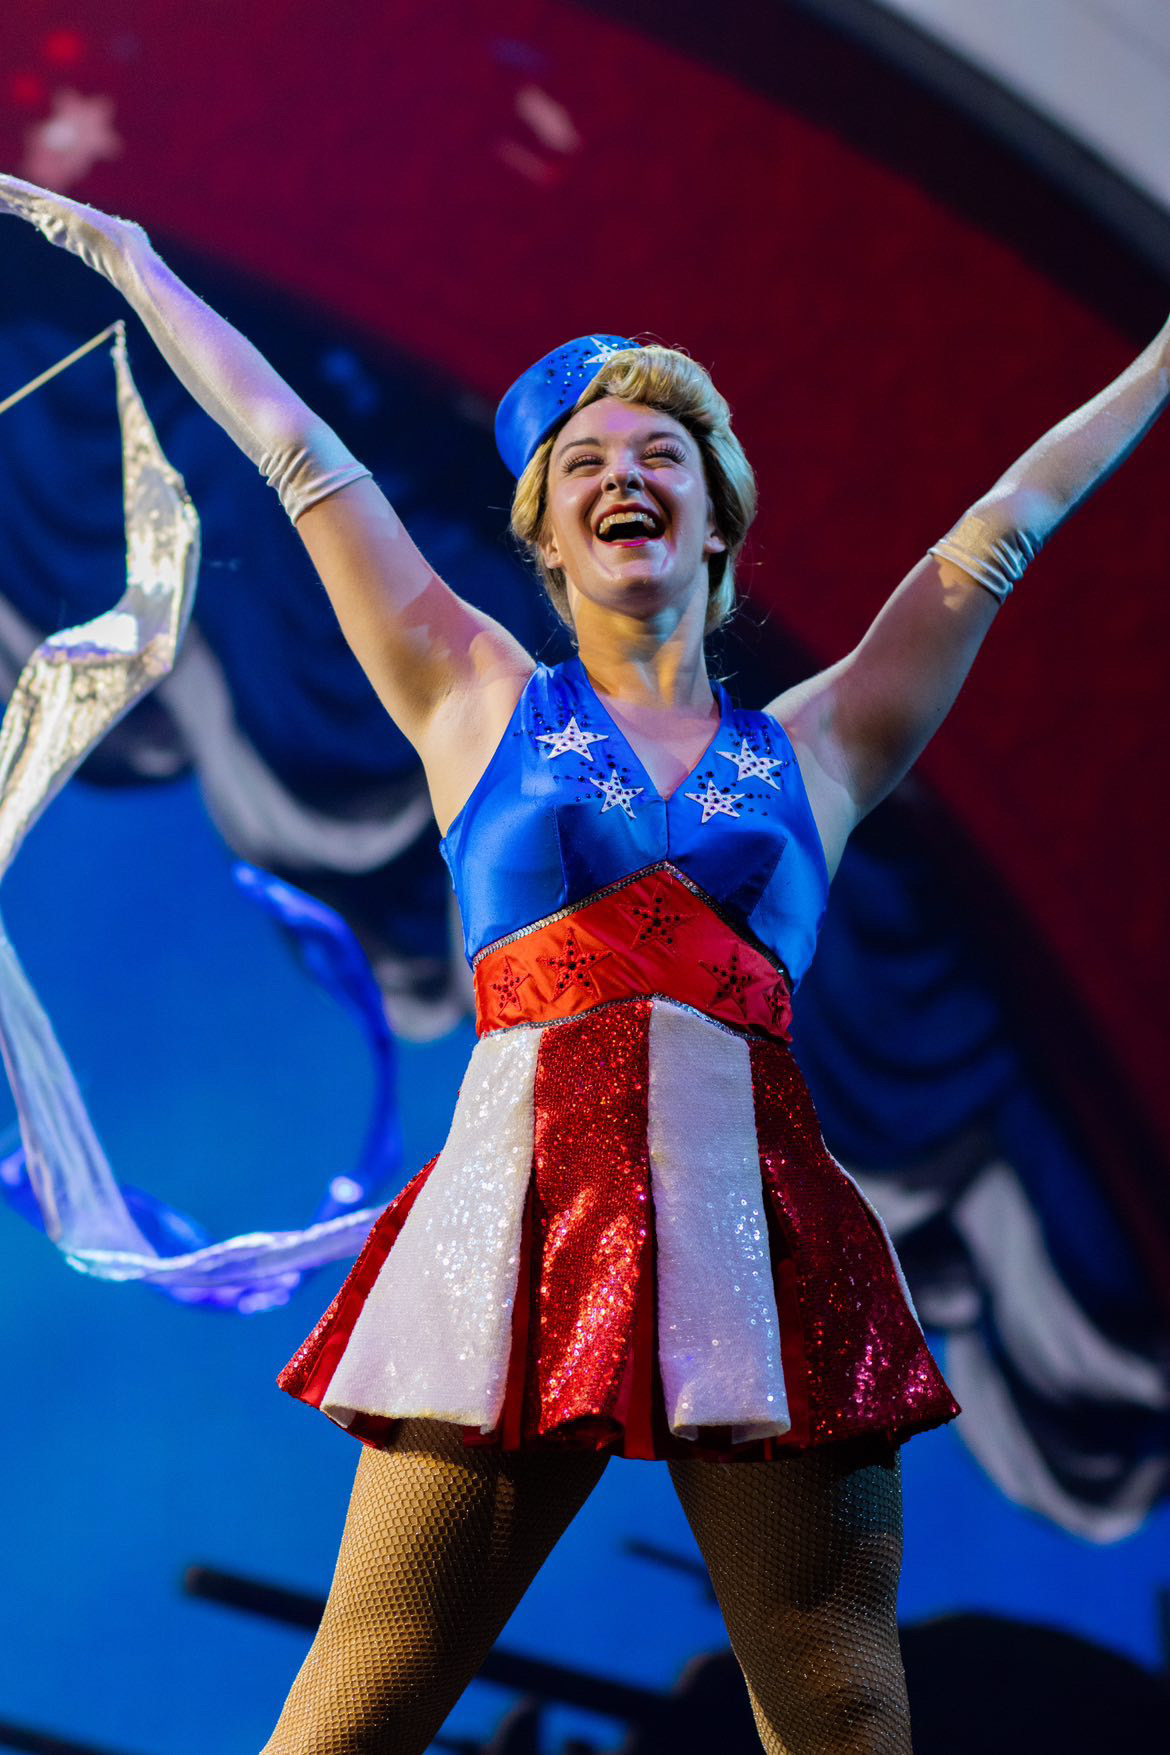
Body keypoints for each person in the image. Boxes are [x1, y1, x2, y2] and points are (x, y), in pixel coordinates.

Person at [0, 173, 1166, 1755]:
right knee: (364, 1695)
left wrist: (1158, 358)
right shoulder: (471, 691)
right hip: (517, 1234)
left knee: (838, 1703)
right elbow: (296, 451)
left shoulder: (824, 742)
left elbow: (1007, 525)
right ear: (543, 535)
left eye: (660, 456)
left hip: (766, 1245)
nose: (625, 476)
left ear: (716, 517)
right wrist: (136, 262)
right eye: (586, 464)